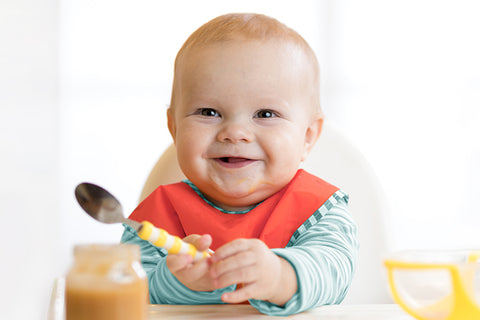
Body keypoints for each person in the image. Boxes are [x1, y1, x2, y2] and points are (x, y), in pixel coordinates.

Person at [121, 13, 358, 316]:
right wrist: (181, 283)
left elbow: (332, 272)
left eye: (266, 114)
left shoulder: (320, 210)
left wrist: (278, 276)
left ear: (308, 136)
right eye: (208, 112)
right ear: (174, 128)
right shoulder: (154, 218)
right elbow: (130, 291)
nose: (235, 133)